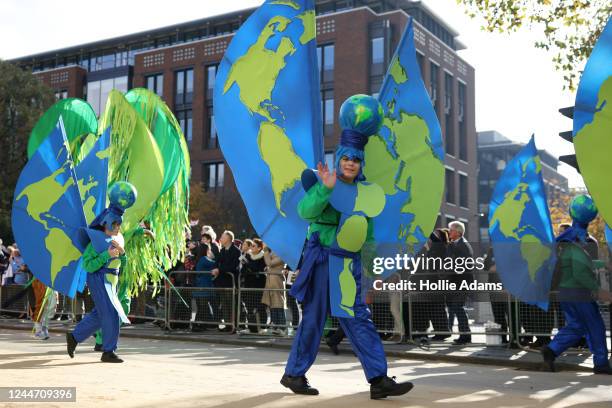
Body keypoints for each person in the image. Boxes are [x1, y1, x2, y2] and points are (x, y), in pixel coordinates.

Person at [281, 95, 413, 399]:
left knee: (358, 318)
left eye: (356, 159)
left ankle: (379, 379)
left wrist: (369, 271)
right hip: (322, 261)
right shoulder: (324, 183)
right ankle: (294, 374)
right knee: (313, 317)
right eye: (346, 158)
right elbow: (306, 212)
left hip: (348, 264)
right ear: (339, 158)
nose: (351, 163)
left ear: (360, 163)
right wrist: (324, 190)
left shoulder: (367, 194)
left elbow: (367, 236)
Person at [541, 196, 612, 374]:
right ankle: (601, 363)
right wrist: (598, 290)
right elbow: (580, 270)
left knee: (577, 325)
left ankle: (551, 350)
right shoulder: (578, 238)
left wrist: (602, 264)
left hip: (567, 291)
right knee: (595, 326)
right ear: (591, 216)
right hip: (579, 291)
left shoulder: (567, 237)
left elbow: (580, 262)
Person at [66, 186, 135, 363]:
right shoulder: (94, 241)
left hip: (111, 281)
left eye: (119, 224)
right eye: (115, 224)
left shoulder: (117, 240)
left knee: (100, 314)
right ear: (106, 223)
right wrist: (107, 255)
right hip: (99, 279)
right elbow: (88, 265)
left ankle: (74, 337)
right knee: (111, 313)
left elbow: (123, 264)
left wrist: (123, 254)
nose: (118, 227)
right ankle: (108, 351)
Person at [446, 221, 473, 345]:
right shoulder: (454, 244)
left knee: (458, 307)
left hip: (461, 283)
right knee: (456, 308)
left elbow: (462, 265)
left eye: (451, 230)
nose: (449, 232)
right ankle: (464, 334)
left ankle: (465, 335)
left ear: (458, 232)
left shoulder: (463, 245)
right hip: (455, 283)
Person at [212, 230, 241, 332]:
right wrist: (216, 269)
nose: (221, 238)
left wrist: (219, 269)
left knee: (232, 304)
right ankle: (228, 324)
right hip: (222, 282)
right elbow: (217, 262)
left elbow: (233, 266)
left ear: (228, 238)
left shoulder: (236, 251)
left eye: (223, 237)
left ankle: (234, 325)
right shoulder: (222, 250)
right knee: (224, 304)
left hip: (231, 282)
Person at [241, 239, 268, 333]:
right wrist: (244, 264)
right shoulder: (248, 256)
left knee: (260, 306)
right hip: (249, 284)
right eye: (251, 245)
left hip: (259, 284)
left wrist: (248, 264)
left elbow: (258, 269)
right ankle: (251, 327)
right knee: (249, 306)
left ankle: (262, 327)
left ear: (260, 247)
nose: (251, 247)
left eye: (254, 246)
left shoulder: (263, 256)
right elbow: (243, 271)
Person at [192, 243, 216, 331]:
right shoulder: (204, 259)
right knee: (203, 307)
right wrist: (214, 256)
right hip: (204, 286)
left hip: (199, 286)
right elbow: (215, 263)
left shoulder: (199, 259)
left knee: (201, 307)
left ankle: (199, 325)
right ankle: (198, 325)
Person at [262, 247, 287, 335]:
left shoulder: (282, 253)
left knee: (278, 303)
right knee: (273, 304)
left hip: (277, 280)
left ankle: (282, 327)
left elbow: (269, 263)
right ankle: (275, 325)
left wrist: (265, 251)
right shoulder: (273, 251)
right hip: (271, 280)